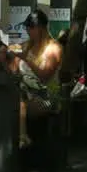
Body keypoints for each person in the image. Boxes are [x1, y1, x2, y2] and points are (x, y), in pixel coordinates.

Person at [10, 10, 63, 149]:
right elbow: (13, 72)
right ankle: (21, 138)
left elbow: (45, 76)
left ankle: (23, 137)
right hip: (24, 92)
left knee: (21, 103)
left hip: (46, 95)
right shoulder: (25, 45)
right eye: (27, 28)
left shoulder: (54, 48)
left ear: (40, 28)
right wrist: (5, 57)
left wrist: (26, 58)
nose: (28, 31)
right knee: (15, 101)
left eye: (30, 28)